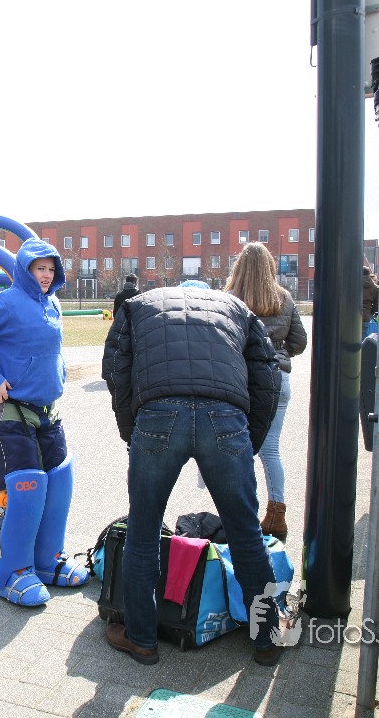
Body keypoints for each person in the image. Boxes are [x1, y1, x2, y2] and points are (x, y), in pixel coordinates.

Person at [101, 282, 285, 665]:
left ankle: (141, 639)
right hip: (225, 415)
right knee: (246, 532)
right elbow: (268, 373)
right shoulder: (237, 308)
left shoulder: (136, 306)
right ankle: (267, 638)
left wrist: (132, 431)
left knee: (143, 530)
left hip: (158, 413)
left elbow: (115, 368)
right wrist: (248, 439)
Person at [0, 237, 89, 607]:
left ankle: (47, 561)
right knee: (26, 489)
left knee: (58, 483)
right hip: (9, 413)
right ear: (25, 270)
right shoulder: (6, 302)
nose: (46, 275)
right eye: (40, 268)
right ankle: (11, 573)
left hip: (47, 410)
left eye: (51, 268)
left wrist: (58, 373)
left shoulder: (52, 302)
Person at [225, 243, 308, 542]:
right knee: (270, 450)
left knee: (235, 449)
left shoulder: (230, 300)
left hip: (241, 380)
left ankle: (241, 515)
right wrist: (278, 353)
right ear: (270, 267)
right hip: (277, 378)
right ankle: (276, 514)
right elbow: (299, 342)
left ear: (239, 268)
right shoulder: (283, 298)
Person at [361, 265, 379, 338]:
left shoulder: (354, 284)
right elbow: (376, 306)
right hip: (365, 316)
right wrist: (370, 313)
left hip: (352, 315)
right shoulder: (375, 288)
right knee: (363, 337)